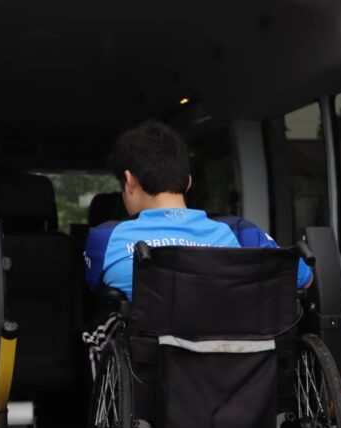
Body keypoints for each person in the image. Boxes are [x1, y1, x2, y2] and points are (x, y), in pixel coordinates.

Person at [83, 119, 241, 300]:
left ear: (129, 181)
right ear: (188, 182)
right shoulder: (240, 234)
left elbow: (94, 287)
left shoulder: (105, 238)